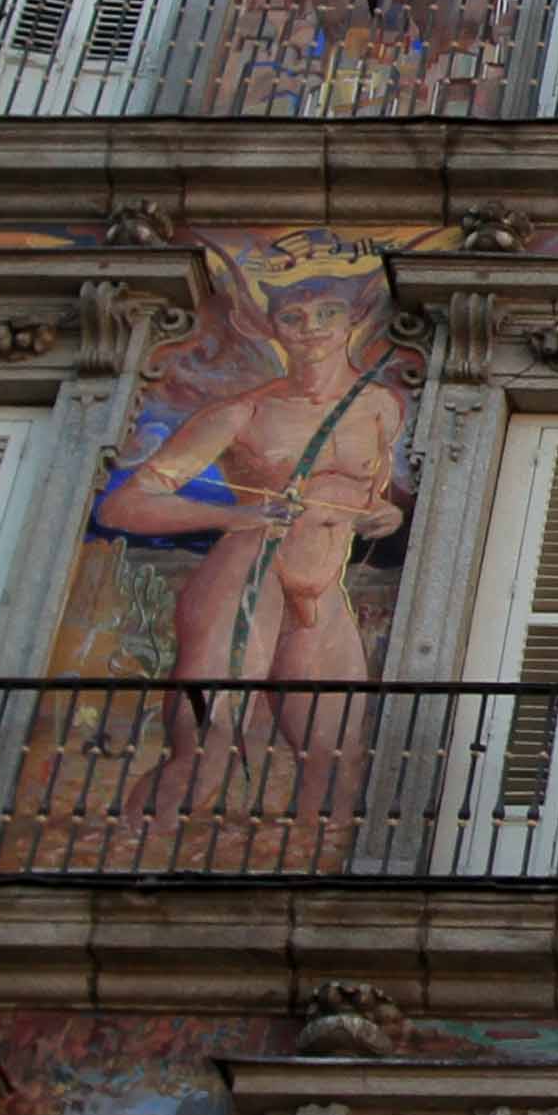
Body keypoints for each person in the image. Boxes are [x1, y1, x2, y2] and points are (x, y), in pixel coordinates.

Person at [94, 239, 412, 811]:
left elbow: (368, 494)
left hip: (322, 589)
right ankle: (137, 841)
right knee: (206, 745)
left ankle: (309, 866)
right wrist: (235, 515)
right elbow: (122, 505)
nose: (312, 329)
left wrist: (384, 515)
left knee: (338, 760)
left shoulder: (382, 407)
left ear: (356, 319)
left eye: (328, 313)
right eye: (293, 317)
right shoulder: (241, 413)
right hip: (245, 577)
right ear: (265, 326)